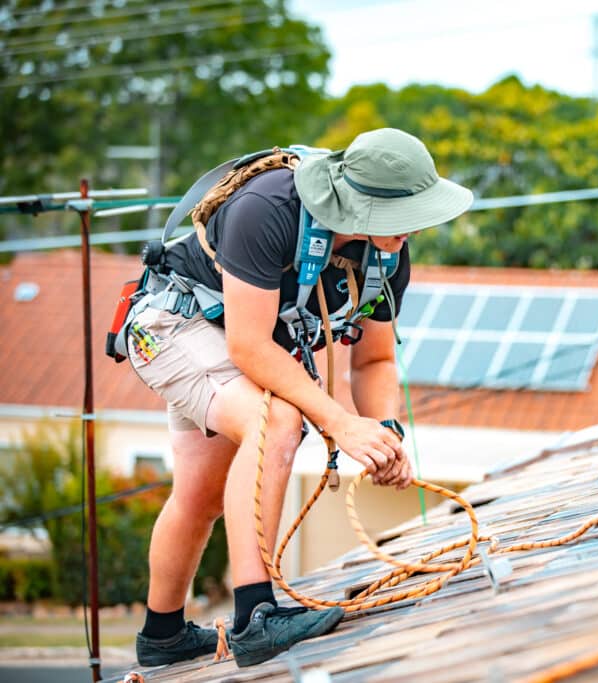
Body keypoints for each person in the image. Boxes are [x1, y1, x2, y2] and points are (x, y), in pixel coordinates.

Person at [128, 128, 473, 668]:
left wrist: (384, 432)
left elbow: (376, 360)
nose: (414, 230)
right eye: (404, 216)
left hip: (233, 340)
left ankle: (163, 635)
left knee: (201, 498)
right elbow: (248, 346)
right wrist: (341, 424)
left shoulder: (385, 255)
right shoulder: (267, 210)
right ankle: (255, 617)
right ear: (361, 204)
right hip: (173, 324)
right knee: (278, 421)